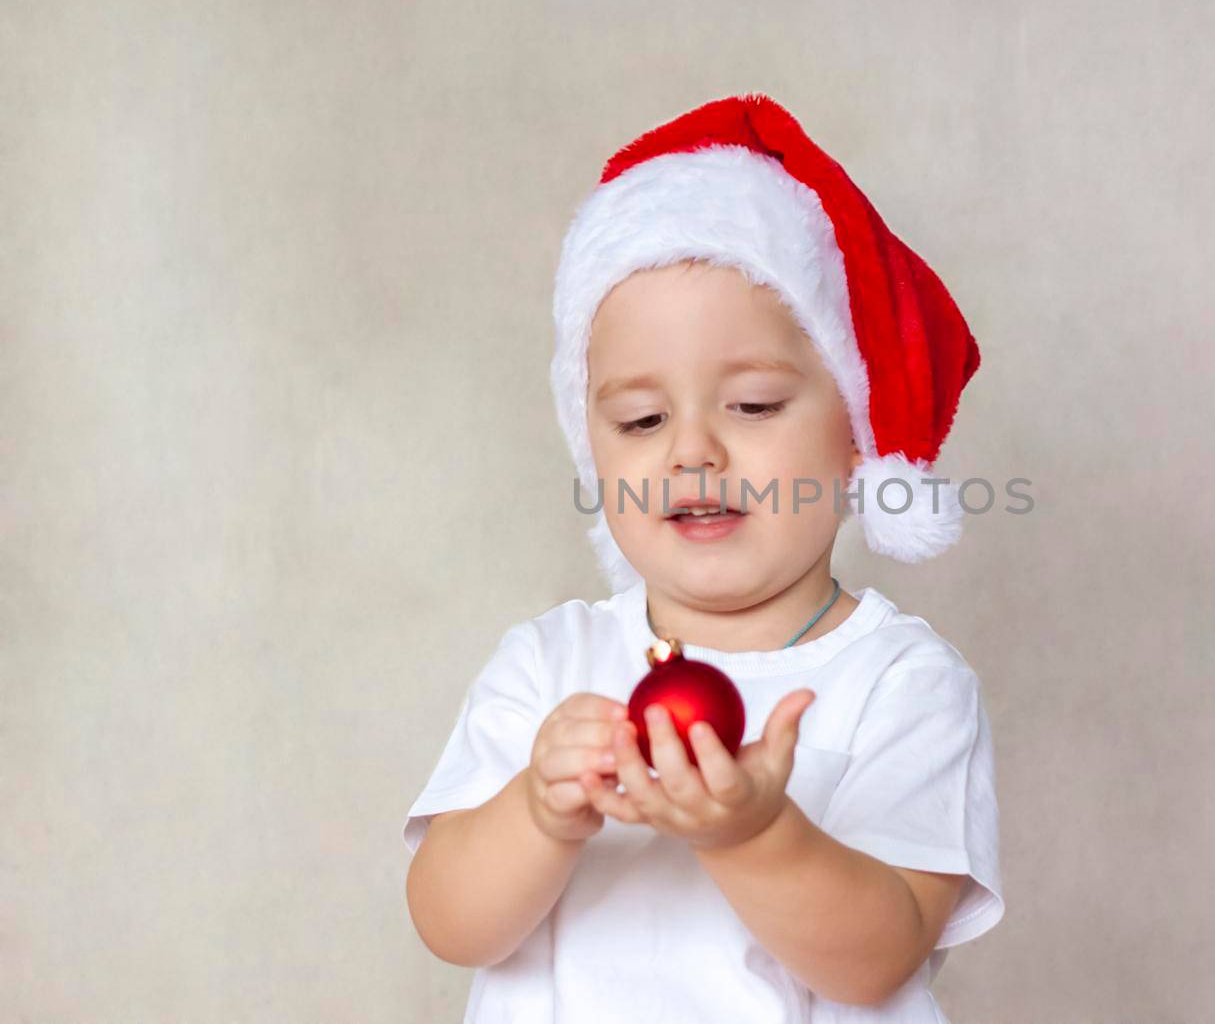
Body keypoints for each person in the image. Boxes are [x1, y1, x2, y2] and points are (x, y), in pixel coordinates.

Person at [402, 93, 1004, 1023]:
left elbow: (879, 958)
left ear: (855, 434)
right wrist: (536, 812)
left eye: (754, 406)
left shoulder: (902, 682)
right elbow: (450, 923)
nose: (692, 454)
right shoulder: (548, 666)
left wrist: (755, 835)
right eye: (642, 421)